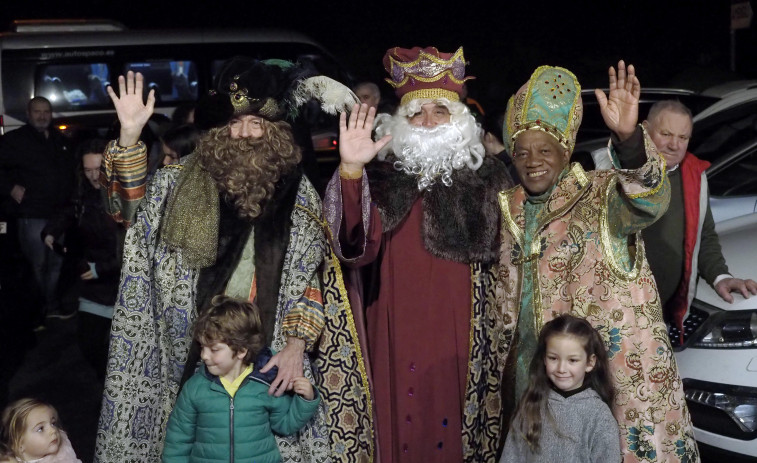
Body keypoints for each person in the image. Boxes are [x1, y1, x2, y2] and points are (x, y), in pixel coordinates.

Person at [95, 58, 372, 463]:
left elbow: (317, 278)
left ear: (275, 132)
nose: (243, 134)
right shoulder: (177, 182)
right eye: (233, 123)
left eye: (256, 123)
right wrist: (131, 136)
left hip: (270, 355)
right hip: (186, 356)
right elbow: (129, 215)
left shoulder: (298, 196)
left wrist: (297, 345)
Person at [495, 62, 700, 462]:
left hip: (608, 388)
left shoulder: (601, 195)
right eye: (522, 152)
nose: (532, 160)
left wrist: (627, 138)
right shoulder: (507, 210)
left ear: (565, 151)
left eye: (544, 150)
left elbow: (650, 200)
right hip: (534, 386)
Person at [325, 46, 513, 462]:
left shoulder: (490, 179)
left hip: (462, 328)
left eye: (439, 112)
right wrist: (352, 173)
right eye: (417, 114)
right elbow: (353, 247)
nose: (428, 122)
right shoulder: (381, 176)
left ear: (460, 121)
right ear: (400, 123)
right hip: (394, 325)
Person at [640, 100, 757, 335]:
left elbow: (703, 235)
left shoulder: (694, 175)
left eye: (683, 138)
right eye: (665, 134)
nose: (674, 145)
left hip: (661, 318)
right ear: (645, 129)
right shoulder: (617, 170)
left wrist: (719, 276)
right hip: (613, 312)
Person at [162, 296, 320, 463]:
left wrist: (305, 400)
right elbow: (178, 440)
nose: (204, 356)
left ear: (241, 351)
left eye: (214, 349)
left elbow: (285, 424)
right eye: (202, 347)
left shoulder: (265, 383)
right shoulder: (194, 389)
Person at [41, 139, 125, 380]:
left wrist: (103, 269)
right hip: (94, 285)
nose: (93, 175)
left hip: (120, 284)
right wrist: (50, 231)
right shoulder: (84, 192)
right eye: (87, 170)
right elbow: (69, 210)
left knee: (119, 352)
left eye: (98, 169)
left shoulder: (124, 198)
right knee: (90, 345)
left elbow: (131, 249)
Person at [500, 315, 620, 463]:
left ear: (589, 363)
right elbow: (510, 458)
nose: (561, 369)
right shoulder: (531, 405)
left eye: (572, 360)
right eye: (553, 358)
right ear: (544, 358)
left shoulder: (599, 415)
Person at [0, 96, 75, 322]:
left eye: (46, 111)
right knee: (37, 265)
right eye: (37, 111)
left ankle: (51, 305)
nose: (42, 116)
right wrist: (10, 188)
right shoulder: (15, 140)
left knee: (56, 264)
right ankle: (36, 311)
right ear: (28, 113)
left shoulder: (59, 140)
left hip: (59, 215)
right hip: (32, 214)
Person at [0, 398, 82, 463]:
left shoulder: (63, 448)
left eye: (53, 423)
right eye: (40, 429)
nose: (53, 430)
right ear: (19, 444)